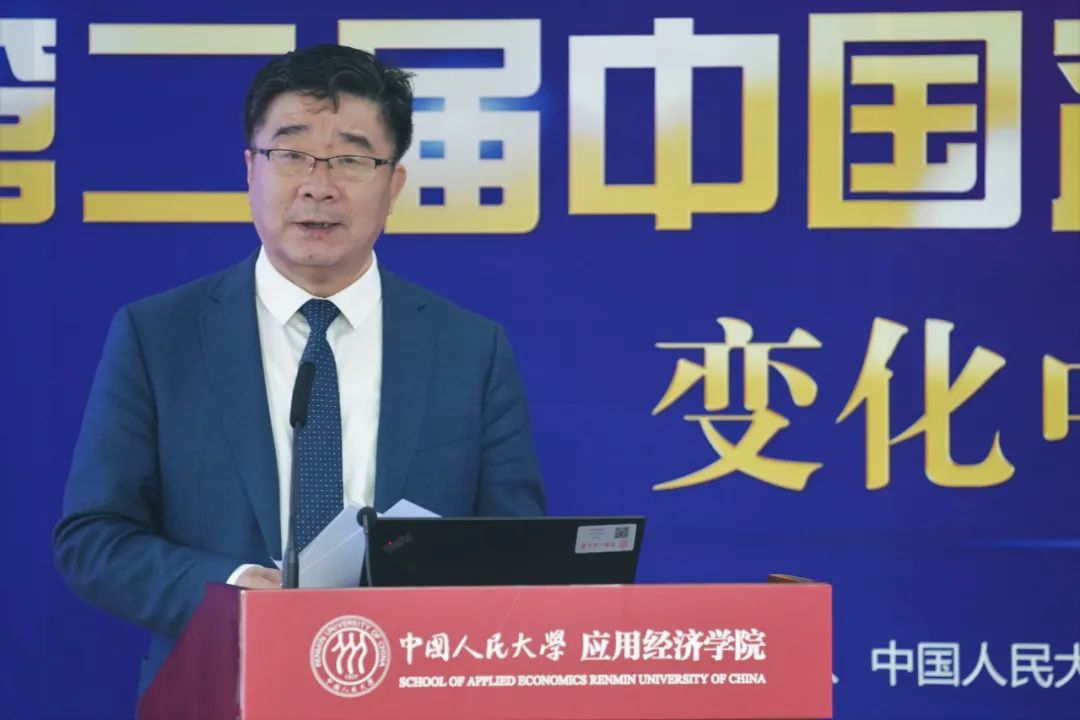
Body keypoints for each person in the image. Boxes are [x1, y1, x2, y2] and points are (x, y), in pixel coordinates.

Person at [53, 44, 546, 697]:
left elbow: (515, 552)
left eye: (351, 159)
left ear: (394, 185)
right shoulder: (158, 337)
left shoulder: (470, 349)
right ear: (250, 171)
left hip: (415, 693)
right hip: (222, 690)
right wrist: (230, 589)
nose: (319, 185)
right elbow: (93, 539)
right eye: (291, 154)